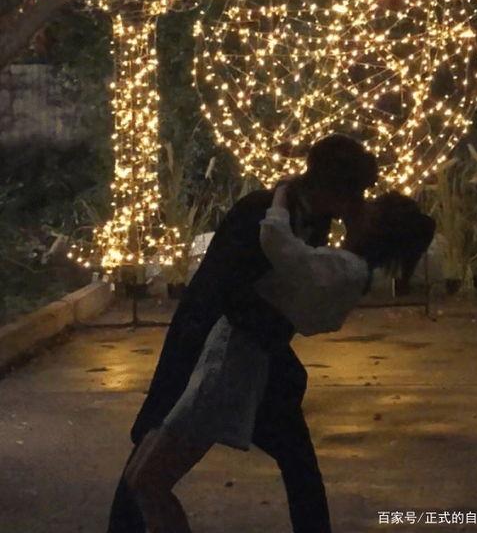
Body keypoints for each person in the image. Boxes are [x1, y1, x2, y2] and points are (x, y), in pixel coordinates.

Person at [122, 184, 436, 533]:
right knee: (144, 478)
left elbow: (276, 241)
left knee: (148, 482)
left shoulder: (339, 269)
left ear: (376, 228)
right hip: (231, 362)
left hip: (227, 369)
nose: (360, 204)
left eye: (371, 206)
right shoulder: (344, 269)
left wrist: (283, 194)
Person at [107, 134, 379, 533]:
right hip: (210, 345)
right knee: (154, 446)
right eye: (354, 193)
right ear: (333, 189)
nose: (357, 203)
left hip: (258, 352)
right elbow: (222, 290)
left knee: (294, 459)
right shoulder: (260, 212)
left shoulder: (309, 218)